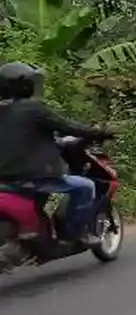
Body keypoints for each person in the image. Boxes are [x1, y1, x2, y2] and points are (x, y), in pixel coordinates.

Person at [0, 62, 112, 245]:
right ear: (26, 85)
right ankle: (73, 233)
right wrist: (98, 132)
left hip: (5, 179)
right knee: (85, 186)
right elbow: (68, 127)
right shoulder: (33, 109)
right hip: (35, 177)